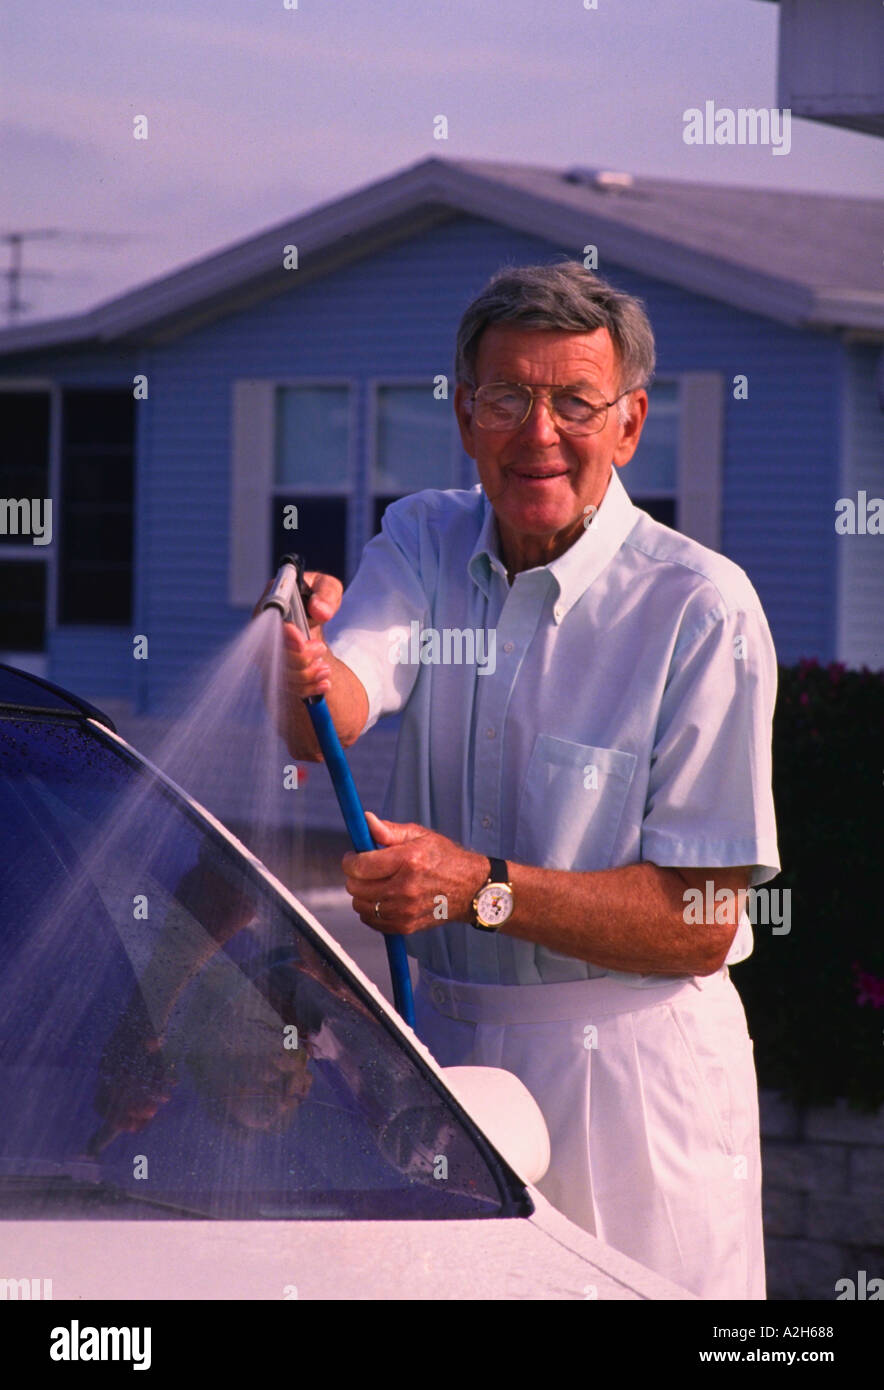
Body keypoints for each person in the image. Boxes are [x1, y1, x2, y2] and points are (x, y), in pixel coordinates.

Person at [276, 261, 780, 1299]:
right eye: (506, 396)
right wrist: (302, 657)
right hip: (451, 1055)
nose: (536, 431)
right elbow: (332, 705)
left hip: (636, 1084)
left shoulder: (700, 609)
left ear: (629, 424)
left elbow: (700, 918)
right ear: (465, 414)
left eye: (574, 402)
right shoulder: (421, 536)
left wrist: (475, 886)